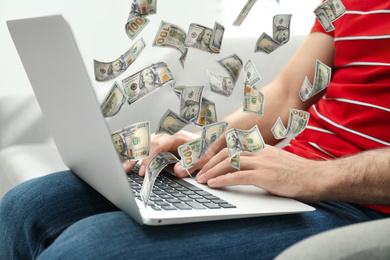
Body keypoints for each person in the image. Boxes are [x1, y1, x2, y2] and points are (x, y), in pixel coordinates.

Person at [1, 1, 389, 259]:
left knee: (87, 250)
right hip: (290, 180)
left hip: (364, 207)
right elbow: (288, 94)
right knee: (25, 206)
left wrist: (317, 176)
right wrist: (210, 144)